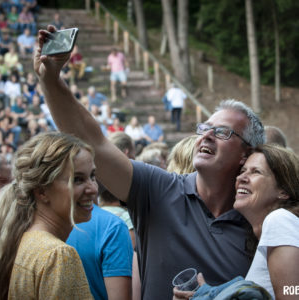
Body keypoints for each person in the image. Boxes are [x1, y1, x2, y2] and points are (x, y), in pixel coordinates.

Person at [34, 26, 265, 300]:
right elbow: (93, 142)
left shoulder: (261, 221)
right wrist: (50, 79)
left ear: (245, 153)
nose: (207, 136)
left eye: (223, 132)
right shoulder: (157, 189)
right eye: (204, 127)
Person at [173, 144, 299, 300]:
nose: (241, 178)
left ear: (283, 191)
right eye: (242, 171)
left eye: (256, 172)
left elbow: (293, 292)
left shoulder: (279, 220)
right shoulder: (263, 235)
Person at [0, 131, 96, 299]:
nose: (93, 189)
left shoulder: (21, 239)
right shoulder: (58, 255)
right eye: (77, 179)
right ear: (42, 191)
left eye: (92, 176)